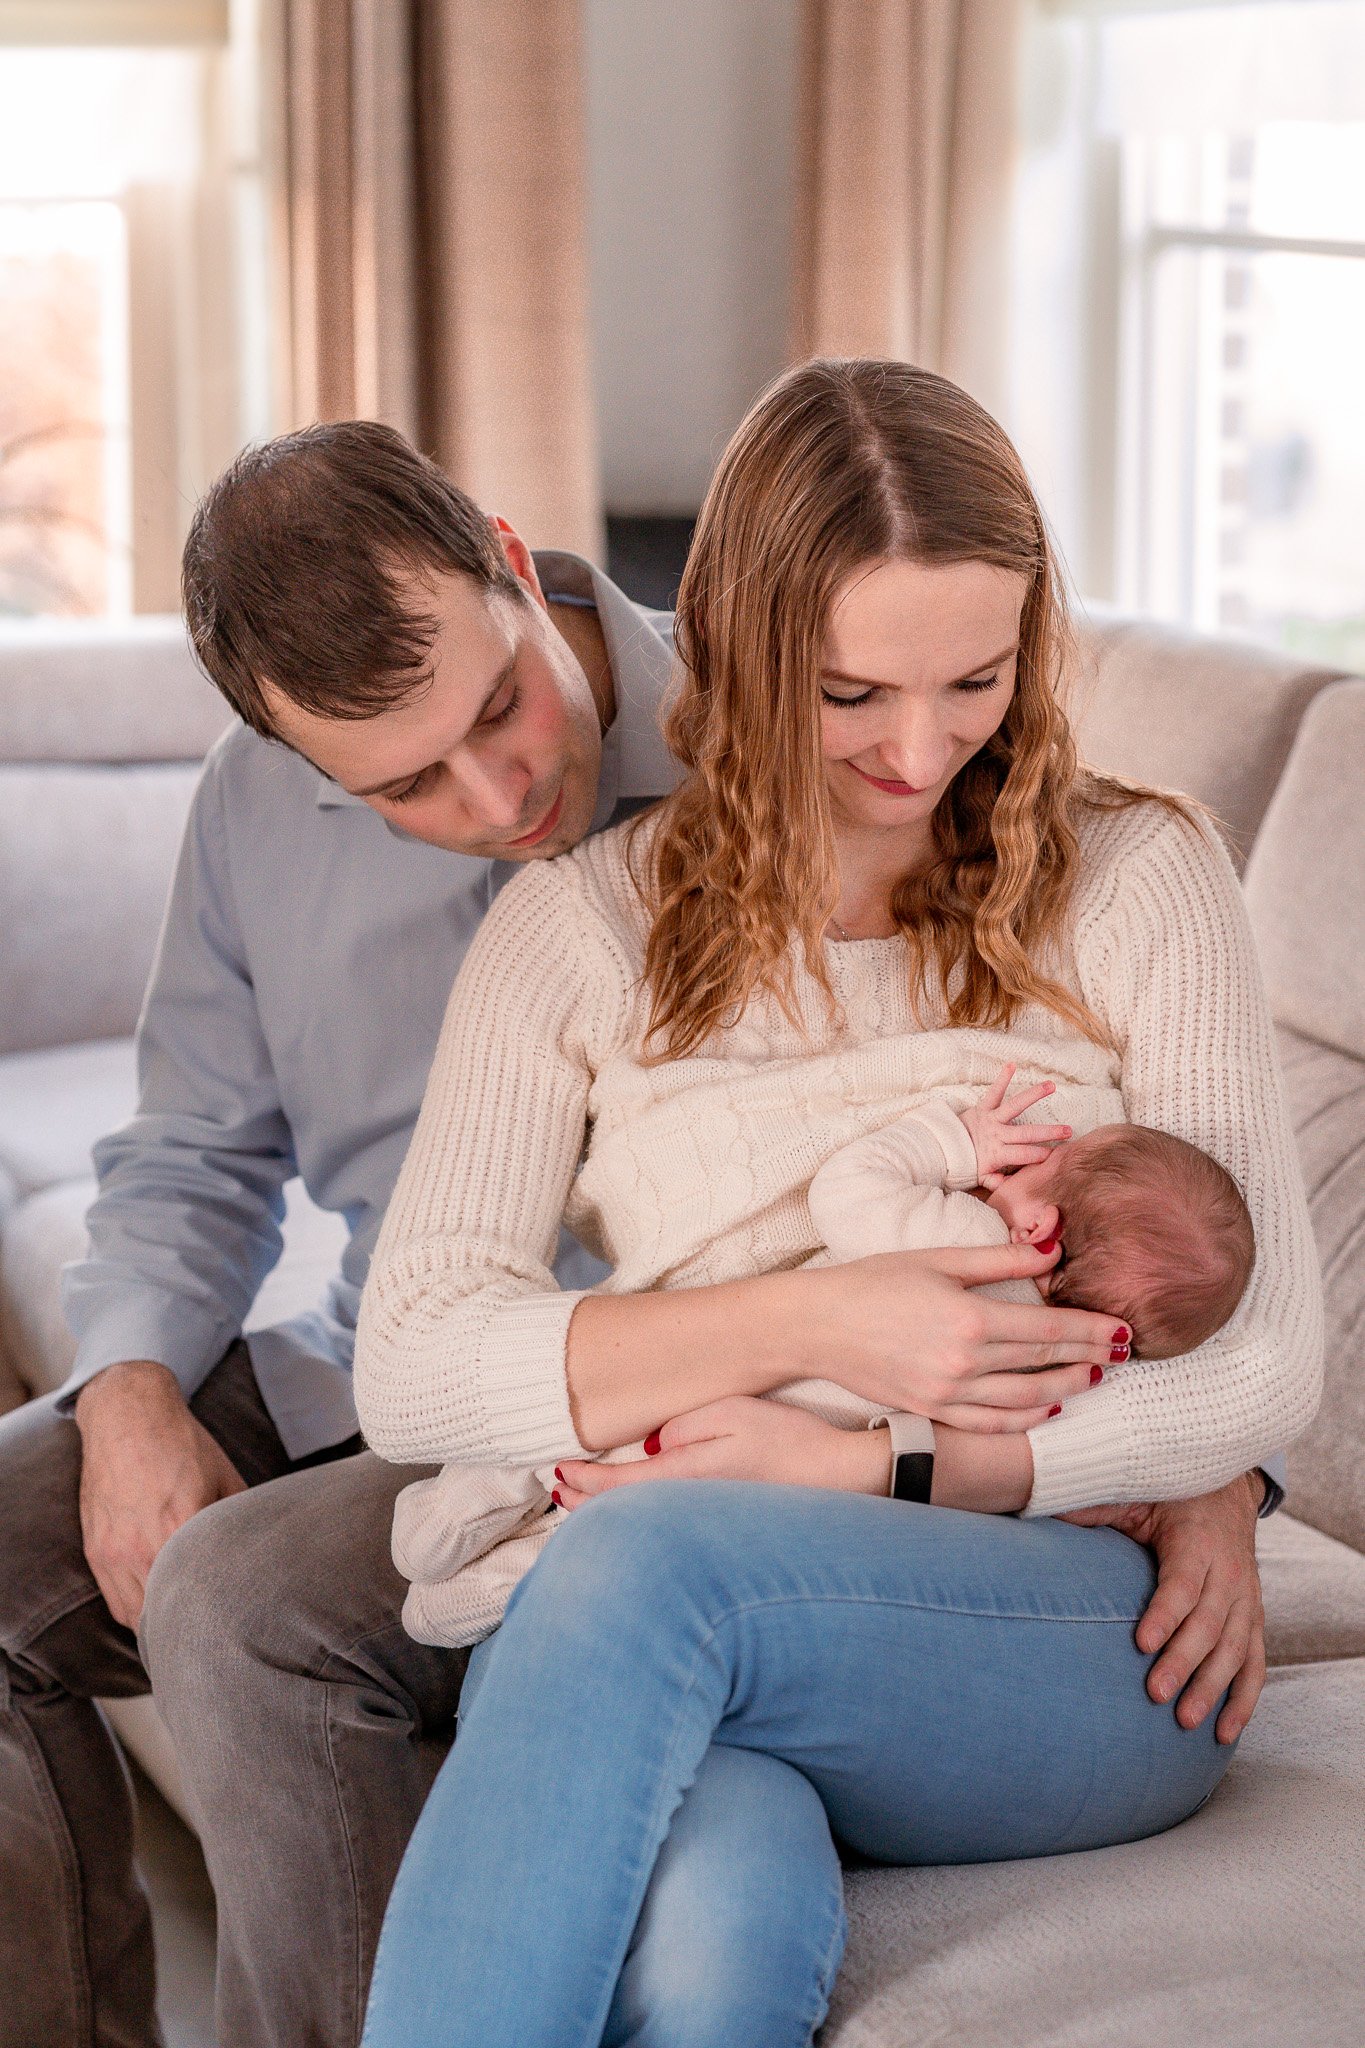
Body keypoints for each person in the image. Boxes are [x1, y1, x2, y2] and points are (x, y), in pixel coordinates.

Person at [0, 420, 1282, 2048]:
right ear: (297, 753)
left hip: (758, 1428)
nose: (496, 791)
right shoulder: (284, 819)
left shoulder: (793, 737)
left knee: (248, 1593)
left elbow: (1149, 1231)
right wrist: (127, 1393)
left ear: (515, 562)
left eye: (495, 708)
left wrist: (1208, 1462)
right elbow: (206, 1158)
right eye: (400, 783)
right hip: (429, 1369)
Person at [352, 359, 1322, 2048]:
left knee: (640, 1568)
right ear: (726, 635)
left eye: (977, 679)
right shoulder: (580, 934)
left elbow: (1269, 1366)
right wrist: (813, 1324)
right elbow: (417, 1362)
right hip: (670, 1613)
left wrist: (886, 1459)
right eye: (853, 690)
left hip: (1067, 1639)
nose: (924, 746)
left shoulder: (1148, 881)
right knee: (718, 1936)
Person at [382, 1057, 1255, 1652]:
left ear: (1037, 1229)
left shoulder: (963, 1238)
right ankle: (461, 1602)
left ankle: (452, 1514)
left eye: (1038, 1170)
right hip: (766, 1474)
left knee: (556, 1437)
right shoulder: (1071, 1374)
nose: (1012, 1171)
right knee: (594, 1520)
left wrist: (955, 1143)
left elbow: (850, 1188)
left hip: (717, 1376)